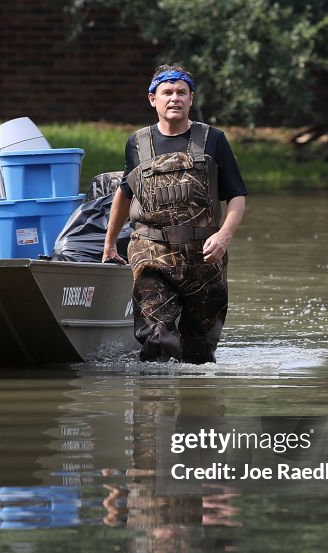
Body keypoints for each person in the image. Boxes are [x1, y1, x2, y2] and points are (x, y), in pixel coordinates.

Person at [102, 64, 247, 364]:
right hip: (151, 253)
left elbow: (237, 197)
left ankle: (194, 402)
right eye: (167, 92)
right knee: (156, 337)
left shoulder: (213, 140)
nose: (174, 98)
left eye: (181, 92)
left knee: (199, 355)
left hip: (204, 259)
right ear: (152, 99)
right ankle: (153, 401)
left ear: (191, 98)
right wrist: (109, 243)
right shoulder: (137, 144)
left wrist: (224, 236)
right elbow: (124, 193)